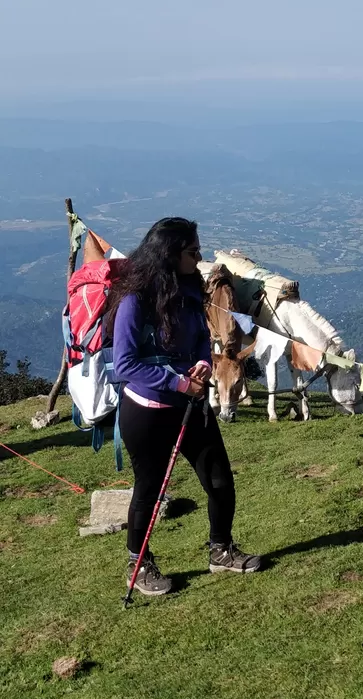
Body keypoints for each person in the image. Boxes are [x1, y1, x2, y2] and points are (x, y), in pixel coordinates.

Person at [105, 216, 261, 596]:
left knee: (220, 479)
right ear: (170, 254)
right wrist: (177, 382)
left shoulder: (190, 292)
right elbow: (125, 364)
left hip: (191, 406)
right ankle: (138, 565)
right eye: (193, 251)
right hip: (147, 411)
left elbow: (198, 344)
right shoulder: (134, 301)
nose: (199, 257)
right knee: (149, 489)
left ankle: (220, 551)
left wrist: (204, 364)